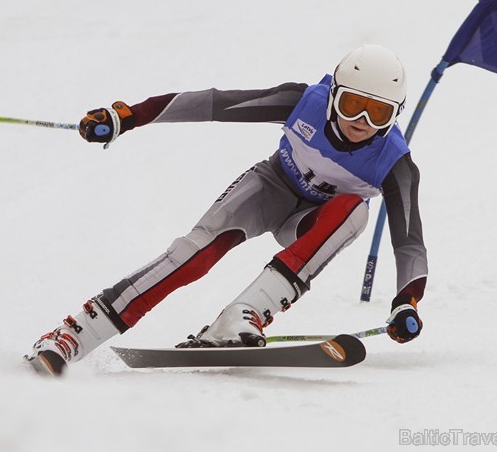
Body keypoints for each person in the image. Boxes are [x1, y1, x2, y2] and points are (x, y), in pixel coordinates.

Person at [25, 44, 428, 376]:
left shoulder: (394, 162)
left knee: (353, 210)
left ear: (396, 115)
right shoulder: (303, 102)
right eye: (352, 104)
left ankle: (244, 314)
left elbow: (409, 241)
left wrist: (406, 300)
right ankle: (73, 335)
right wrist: (131, 116)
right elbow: (215, 105)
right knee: (193, 256)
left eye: (378, 113)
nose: (360, 120)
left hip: (310, 225)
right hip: (268, 189)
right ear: (334, 95)